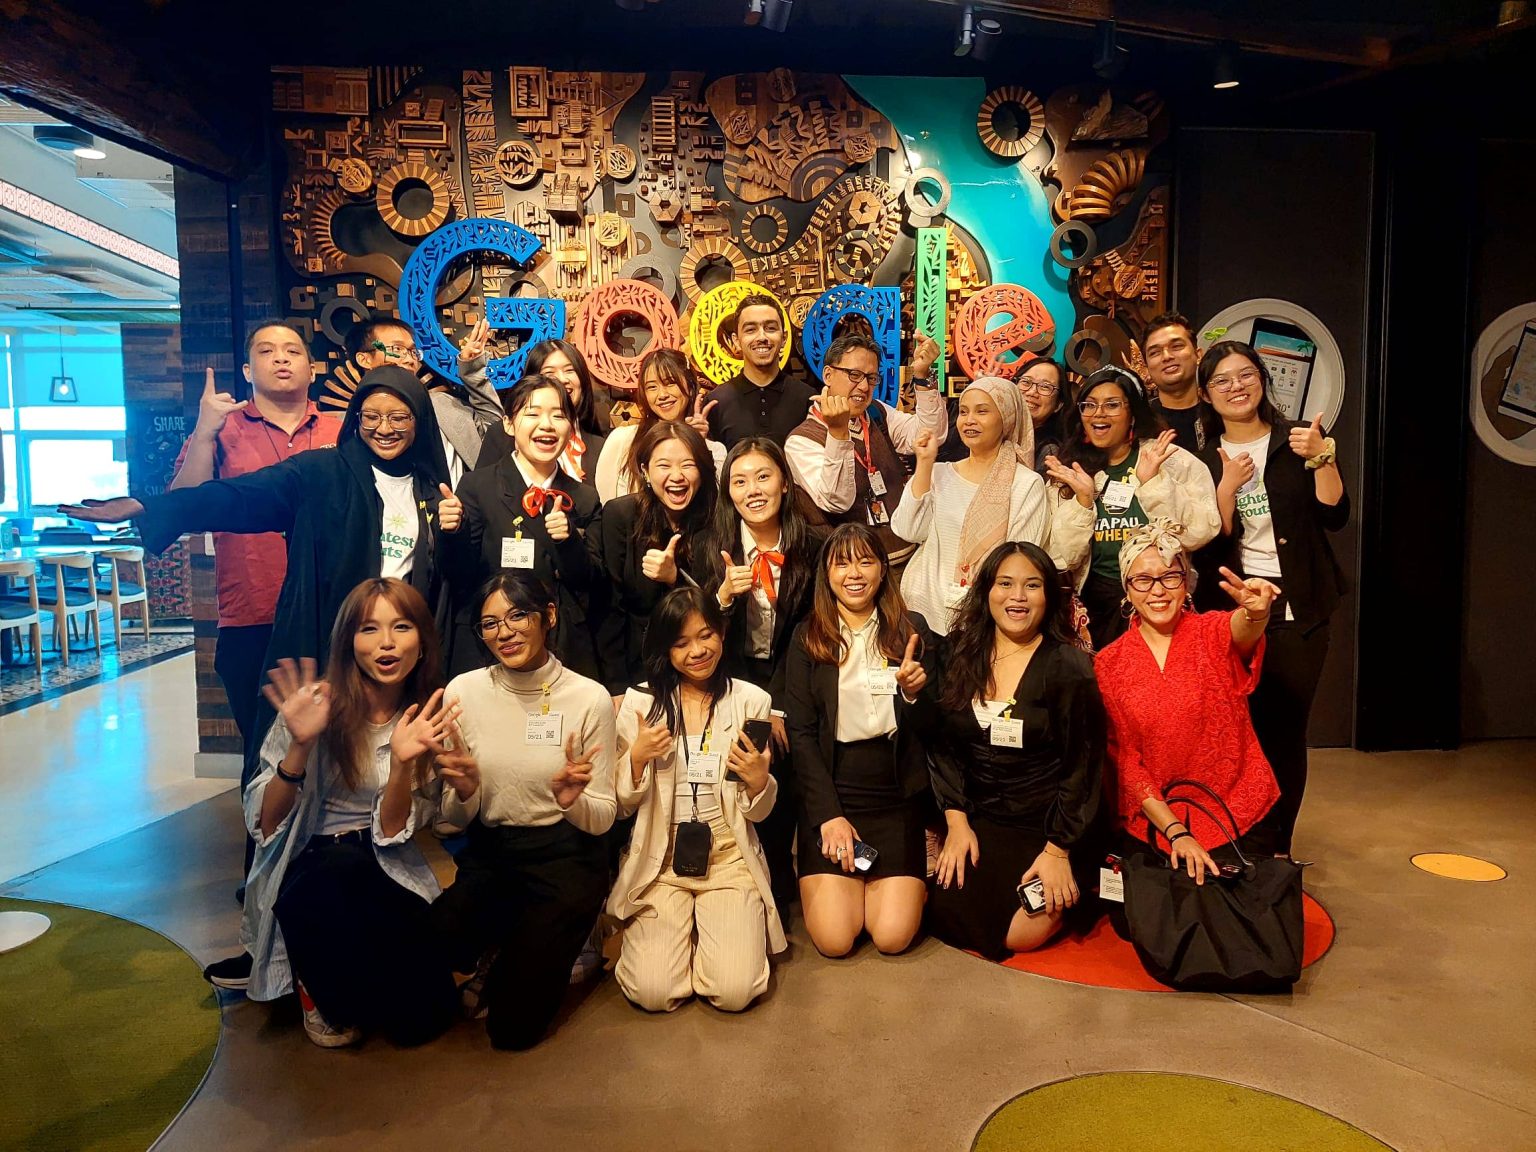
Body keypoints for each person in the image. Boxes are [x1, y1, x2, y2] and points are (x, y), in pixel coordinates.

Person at [62, 365, 461, 774]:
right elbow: (241, 496)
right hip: (331, 644)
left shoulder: (432, 489)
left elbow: (445, 581)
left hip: (397, 653)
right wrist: (151, 506)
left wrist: (453, 531)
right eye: (371, 416)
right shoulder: (320, 473)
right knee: (317, 762)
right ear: (356, 418)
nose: (384, 428)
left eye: (399, 417)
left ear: (418, 421)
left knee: (388, 759)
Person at [167, 321, 341, 986]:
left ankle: (326, 930)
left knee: (339, 776)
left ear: (312, 366)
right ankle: (261, 938)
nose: (280, 360)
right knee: (266, 778)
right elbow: (184, 505)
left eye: (292, 350)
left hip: (331, 625)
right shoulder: (227, 430)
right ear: (248, 370)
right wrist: (205, 430)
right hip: (255, 627)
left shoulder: (341, 428)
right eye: (266, 352)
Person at [241, 577, 460, 1048]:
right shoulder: (315, 706)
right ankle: (315, 987)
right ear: (348, 643)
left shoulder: (425, 717)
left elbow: (393, 830)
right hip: (313, 865)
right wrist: (300, 745)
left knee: (424, 1022)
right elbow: (267, 823)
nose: (386, 643)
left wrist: (402, 765)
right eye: (369, 629)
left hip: (385, 860)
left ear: (422, 641)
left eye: (401, 627)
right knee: (339, 872)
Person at [432, 573, 617, 1049]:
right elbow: (451, 820)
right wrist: (466, 792)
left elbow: (604, 816)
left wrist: (572, 802)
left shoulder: (588, 697)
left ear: (548, 616)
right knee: (436, 942)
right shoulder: (464, 692)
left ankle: (554, 938)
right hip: (494, 853)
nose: (505, 632)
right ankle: (506, 938)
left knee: (512, 1031)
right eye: (490, 623)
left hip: (567, 857)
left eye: (518, 616)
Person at [1195, 341, 1348, 856]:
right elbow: (1208, 544)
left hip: (1299, 607)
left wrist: (1322, 457)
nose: (1236, 387)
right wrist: (1225, 489)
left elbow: (1334, 515)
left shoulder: (1298, 439)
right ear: (1206, 394)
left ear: (1262, 379)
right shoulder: (1204, 459)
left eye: (1246, 375)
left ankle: (1278, 847)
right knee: (1237, 729)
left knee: (1284, 731)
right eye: (1222, 380)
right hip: (1234, 608)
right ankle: (1238, 838)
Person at [926, 543, 1105, 959]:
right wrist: (956, 822)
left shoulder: (1067, 666)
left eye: (1032, 585)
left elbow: (1082, 767)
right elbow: (943, 744)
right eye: (1005, 584)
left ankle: (1082, 879)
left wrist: (1059, 850)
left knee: (1019, 934)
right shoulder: (958, 652)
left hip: (1048, 826)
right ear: (987, 590)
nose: (1017, 597)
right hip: (983, 818)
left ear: (1049, 596)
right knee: (943, 911)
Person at [609, 588, 781, 1012]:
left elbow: (757, 812)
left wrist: (759, 782)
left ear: (722, 633)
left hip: (728, 857)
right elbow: (622, 804)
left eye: (706, 635)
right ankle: (681, 937)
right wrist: (636, 758)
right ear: (664, 649)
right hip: (661, 859)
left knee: (734, 991)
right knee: (653, 992)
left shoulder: (751, 701)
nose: (698, 651)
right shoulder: (641, 704)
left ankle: (716, 932)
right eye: (681, 643)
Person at [1096, 521, 1283, 877]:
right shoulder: (1110, 663)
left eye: (1170, 577)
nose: (1158, 590)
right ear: (1127, 589)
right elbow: (1125, 761)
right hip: (1159, 818)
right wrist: (1176, 831)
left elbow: (1242, 628)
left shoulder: (1211, 632)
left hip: (1236, 810)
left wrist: (1256, 613)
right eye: (1143, 580)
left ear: (1186, 582)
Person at [784, 523, 936, 957]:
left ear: (883, 569)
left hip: (895, 793)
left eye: (866, 561)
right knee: (835, 939)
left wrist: (913, 696)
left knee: (891, 937)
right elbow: (801, 733)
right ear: (827, 574)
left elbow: (935, 726)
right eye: (842, 563)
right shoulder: (808, 637)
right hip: (835, 790)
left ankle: (890, 886)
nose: (854, 573)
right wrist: (827, 815)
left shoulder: (911, 630)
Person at [700, 437, 822, 908]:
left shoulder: (814, 546)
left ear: (785, 484)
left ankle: (783, 889)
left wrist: (779, 706)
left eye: (763, 476)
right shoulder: (711, 547)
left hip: (795, 680)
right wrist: (723, 599)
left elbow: (811, 633)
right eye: (740, 481)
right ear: (727, 492)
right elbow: (697, 636)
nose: (753, 490)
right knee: (740, 779)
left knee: (786, 772)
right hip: (730, 680)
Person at [1043, 364, 1219, 649]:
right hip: (1095, 608)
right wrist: (1083, 501)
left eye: (1112, 404)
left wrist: (1153, 484)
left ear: (1133, 413)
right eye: (1089, 405)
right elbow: (1063, 558)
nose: (1099, 413)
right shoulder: (1070, 471)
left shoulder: (1170, 459)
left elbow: (1201, 531)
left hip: (1161, 597)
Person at [445, 374, 604, 680]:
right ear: (508, 424)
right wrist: (452, 531)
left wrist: (569, 541)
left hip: (563, 651)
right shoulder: (477, 487)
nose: (547, 425)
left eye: (558, 415)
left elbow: (593, 583)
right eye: (533, 414)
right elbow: (458, 575)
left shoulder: (584, 498)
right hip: (491, 649)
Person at [892, 376, 1047, 635]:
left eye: (982, 411)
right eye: (964, 412)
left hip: (984, 619)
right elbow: (908, 530)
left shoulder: (1026, 483)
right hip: (922, 612)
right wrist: (925, 464)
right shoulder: (939, 472)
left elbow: (1020, 560)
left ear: (1006, 418)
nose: (969, 420)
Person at [785, 332, 944, 567]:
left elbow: (930, 435)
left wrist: (923, 377)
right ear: (828, 375)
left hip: (909, 560)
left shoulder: (876, 413)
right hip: (857, 572)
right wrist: (838, 434)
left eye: (871, 378)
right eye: (854, 375)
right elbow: (836, 501)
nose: (863, 386)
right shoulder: (802, 440)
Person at [598, 421, 719, 697]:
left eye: (688, 465)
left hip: (703, 667)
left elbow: (717, 607)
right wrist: (616, 685)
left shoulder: (717, 519)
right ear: (645, 470)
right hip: (638, 668)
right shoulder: (621, 515)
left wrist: (674, 579)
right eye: (664, 466)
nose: (677, 476)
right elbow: (611, 607)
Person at [352, 315, 503, 488]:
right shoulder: (357, 424)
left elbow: (494, 434)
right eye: (397, 349)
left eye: (412, 352)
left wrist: (472, 372)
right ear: (364, 359)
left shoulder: (443, 405)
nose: (409, 360)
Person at [593, 347, 727, 503]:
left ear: (690, 387)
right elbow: (607, 504)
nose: (662, 395)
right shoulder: (623, 440)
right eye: (652, 387)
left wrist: (698, 446)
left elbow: (717, 504)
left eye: (670, 383)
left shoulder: (714, 450)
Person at [476, 340, 607, 481]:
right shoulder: (501, 435)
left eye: (569, 370)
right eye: (549, 372)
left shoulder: (603, 447)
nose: (562, 379)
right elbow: (481, 488)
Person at [703, 295, 818, 448]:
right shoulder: (716, 402)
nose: (762, 337)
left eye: (770, 328)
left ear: (784, 338)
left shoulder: (807, 398)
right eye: (751, 330)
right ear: (736, 340)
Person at [1141, 312, 1216, 453]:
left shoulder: (1222, 412)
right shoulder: (1139, 421)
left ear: (1198, 355)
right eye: (1155, 352)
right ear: (1147, 367)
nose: (1167, 356)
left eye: (1176, 346)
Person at [1017, 357, 1069, 470]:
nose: (1032, 392)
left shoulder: (1049, 452)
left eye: (1045, 387)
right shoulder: (1000, 433)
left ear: (1058, 405)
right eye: (1026, 382)